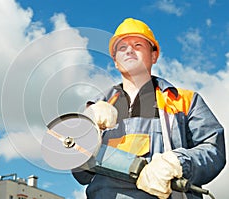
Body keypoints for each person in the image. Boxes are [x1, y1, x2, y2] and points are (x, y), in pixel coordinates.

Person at [72, 18, 226, 199]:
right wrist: (86, 131)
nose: (129, 50)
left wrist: (178, 163)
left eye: (137, 45)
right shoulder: (96, 108)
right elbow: (80, 174)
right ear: (115, 60)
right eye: (122, 48)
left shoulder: (185, 101)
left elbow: (213, 149)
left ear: (154, 56)